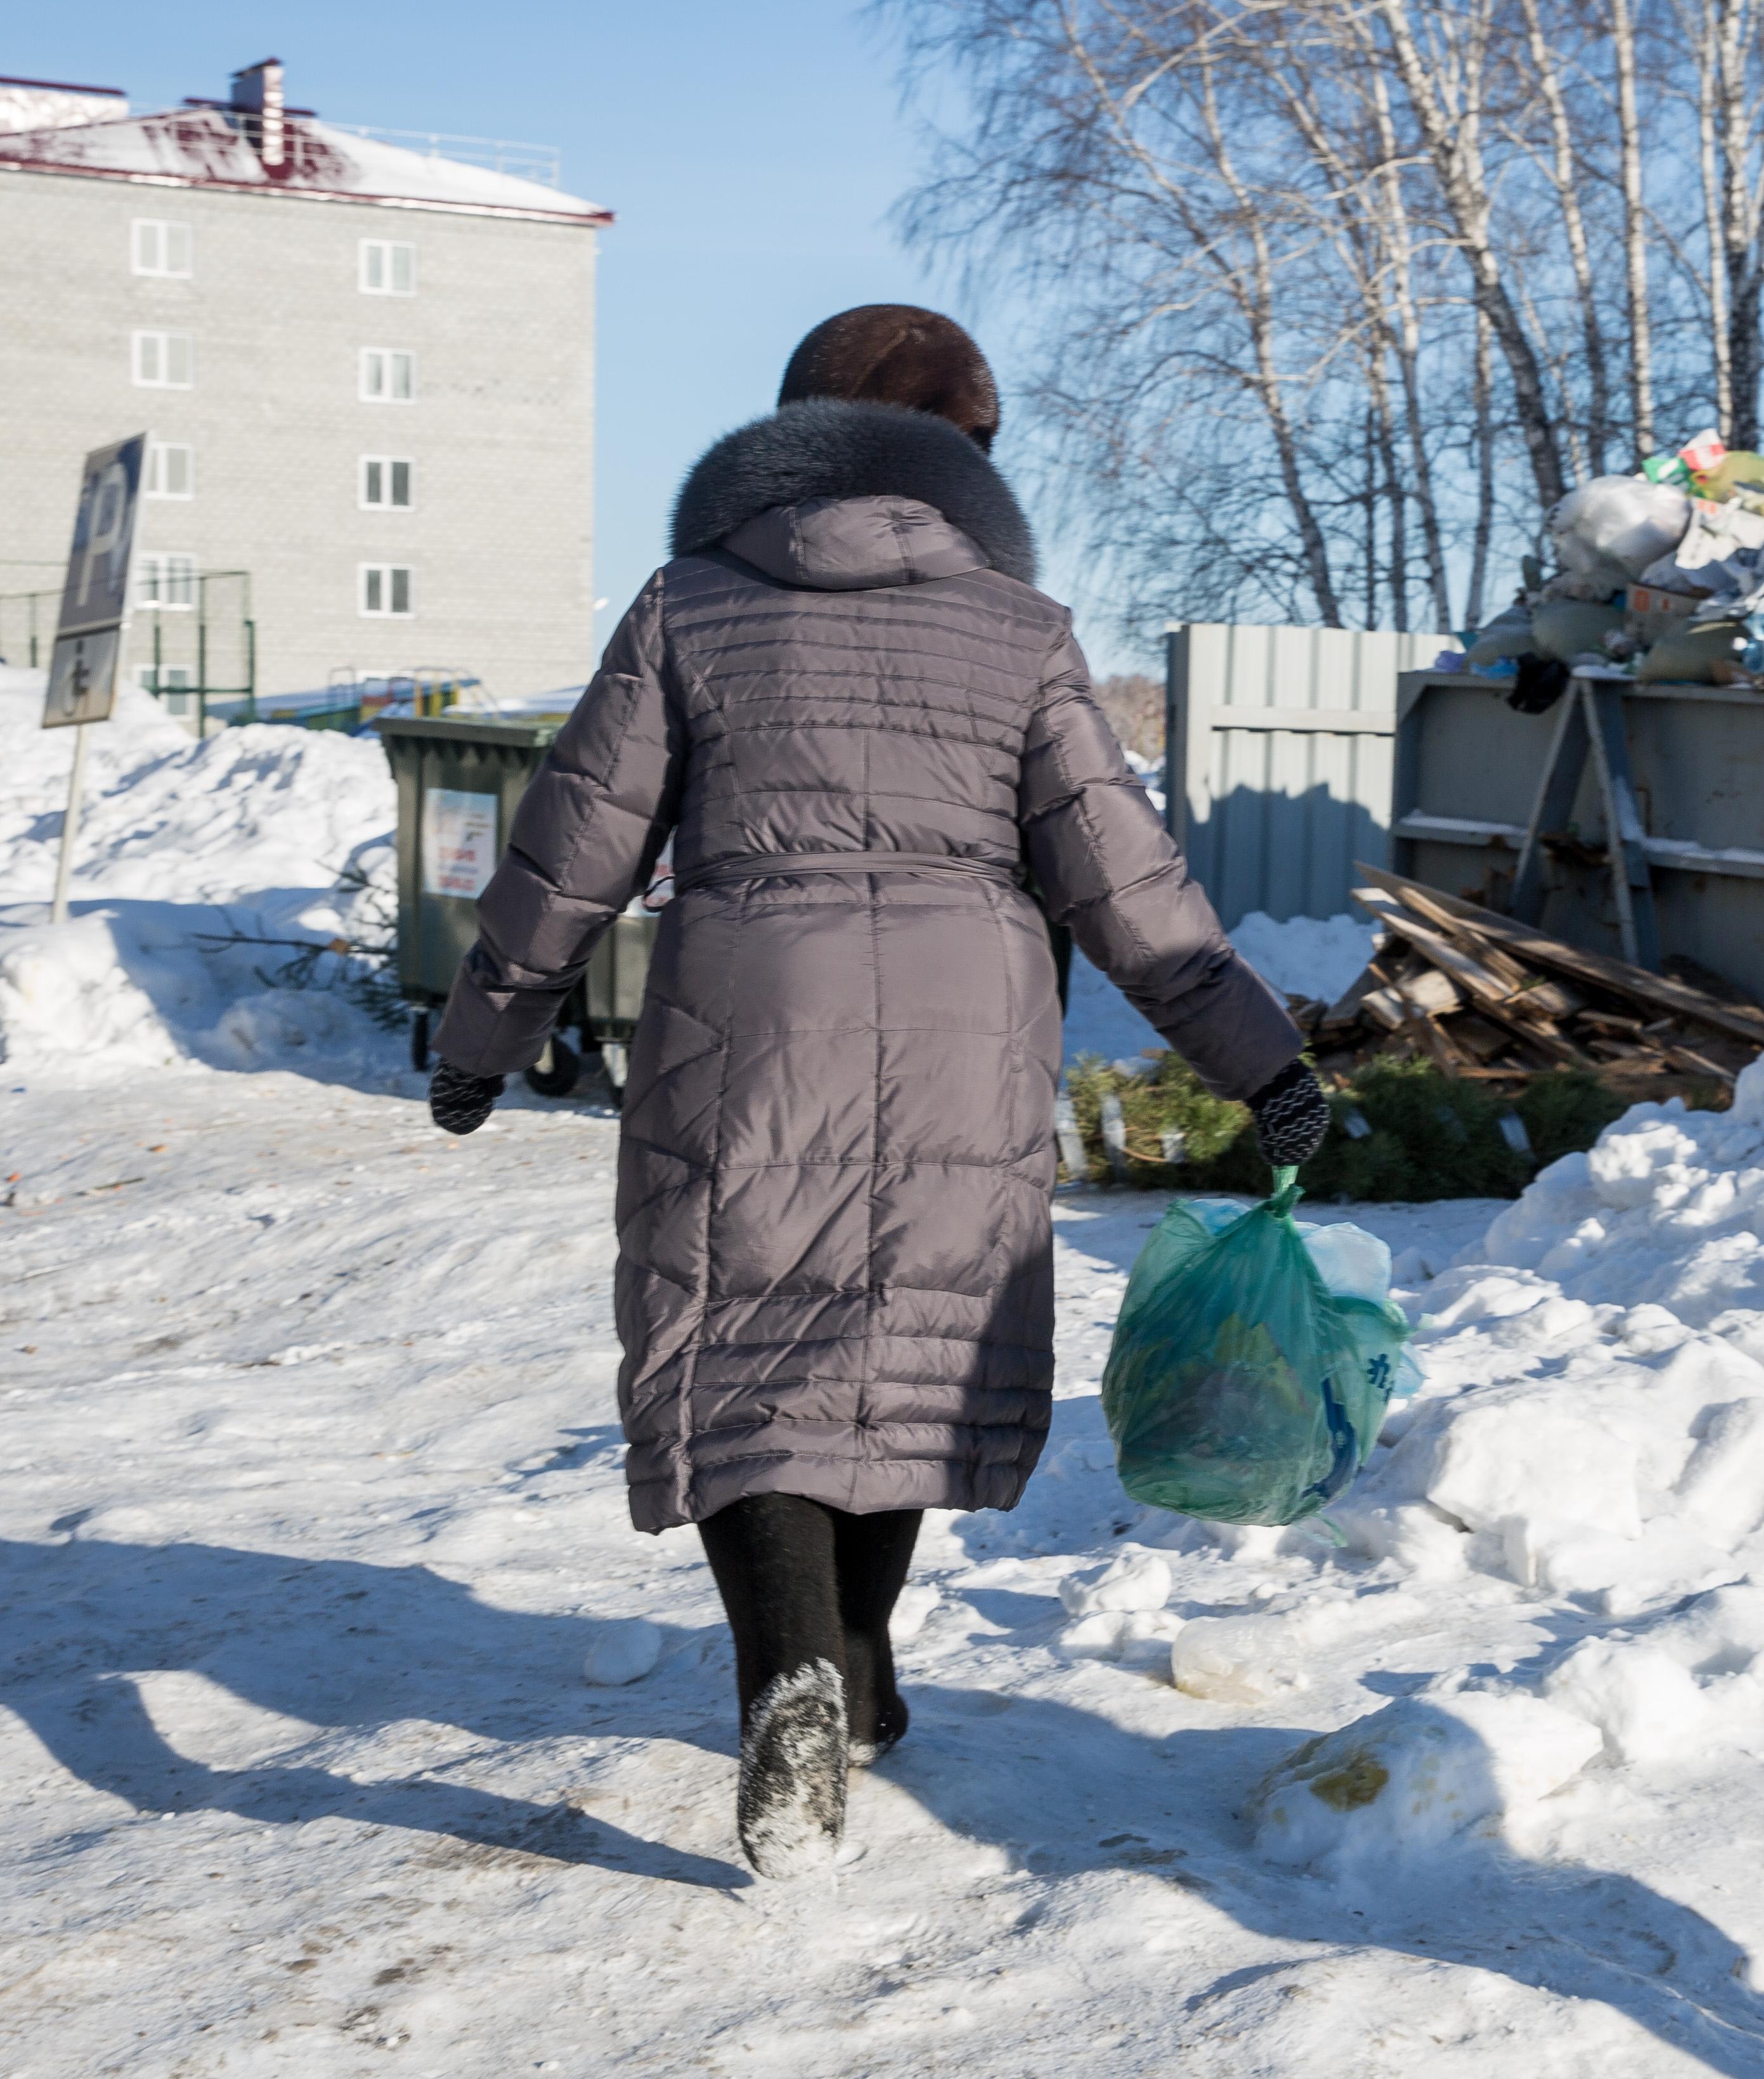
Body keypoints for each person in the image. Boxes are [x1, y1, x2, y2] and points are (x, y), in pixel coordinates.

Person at [422, 305, 1329, 1878]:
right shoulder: (1022, 631)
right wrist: (1265, 1062)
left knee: (743, 1341)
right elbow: (1136, 892)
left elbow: (567, 848)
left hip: (742, 1016)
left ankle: (790, 1673)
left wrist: (481, 1035)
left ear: (785, 438)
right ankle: (850, 1669)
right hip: (967, 1028)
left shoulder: (686, 606)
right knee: (903, 1348)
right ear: (962, 454)